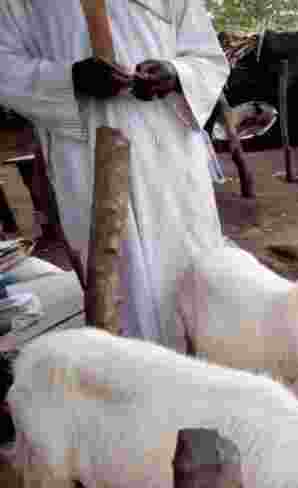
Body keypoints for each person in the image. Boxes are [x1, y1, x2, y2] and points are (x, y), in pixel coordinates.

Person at [0, 0, 229, 351]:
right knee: (116, 279)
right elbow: (5, 65)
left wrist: (174, 73)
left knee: (189, 265)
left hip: (167, 150)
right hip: (82, 151)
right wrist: (68, 78)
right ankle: (131, 370)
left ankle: (202, 366)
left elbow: (208, 57)